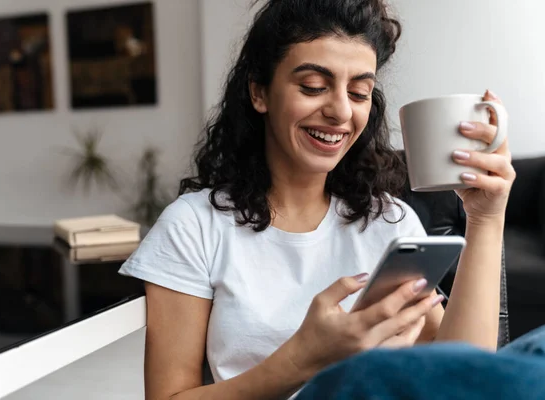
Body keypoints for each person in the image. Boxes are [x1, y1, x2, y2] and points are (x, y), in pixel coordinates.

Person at [118, 0, 529, 398]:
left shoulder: (389, 220)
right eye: (313, 86)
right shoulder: (194, 226)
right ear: (259, 93)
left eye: (359, 92)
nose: (339, 111)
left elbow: (461, 378)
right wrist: (304, 358)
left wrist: (486, 219)